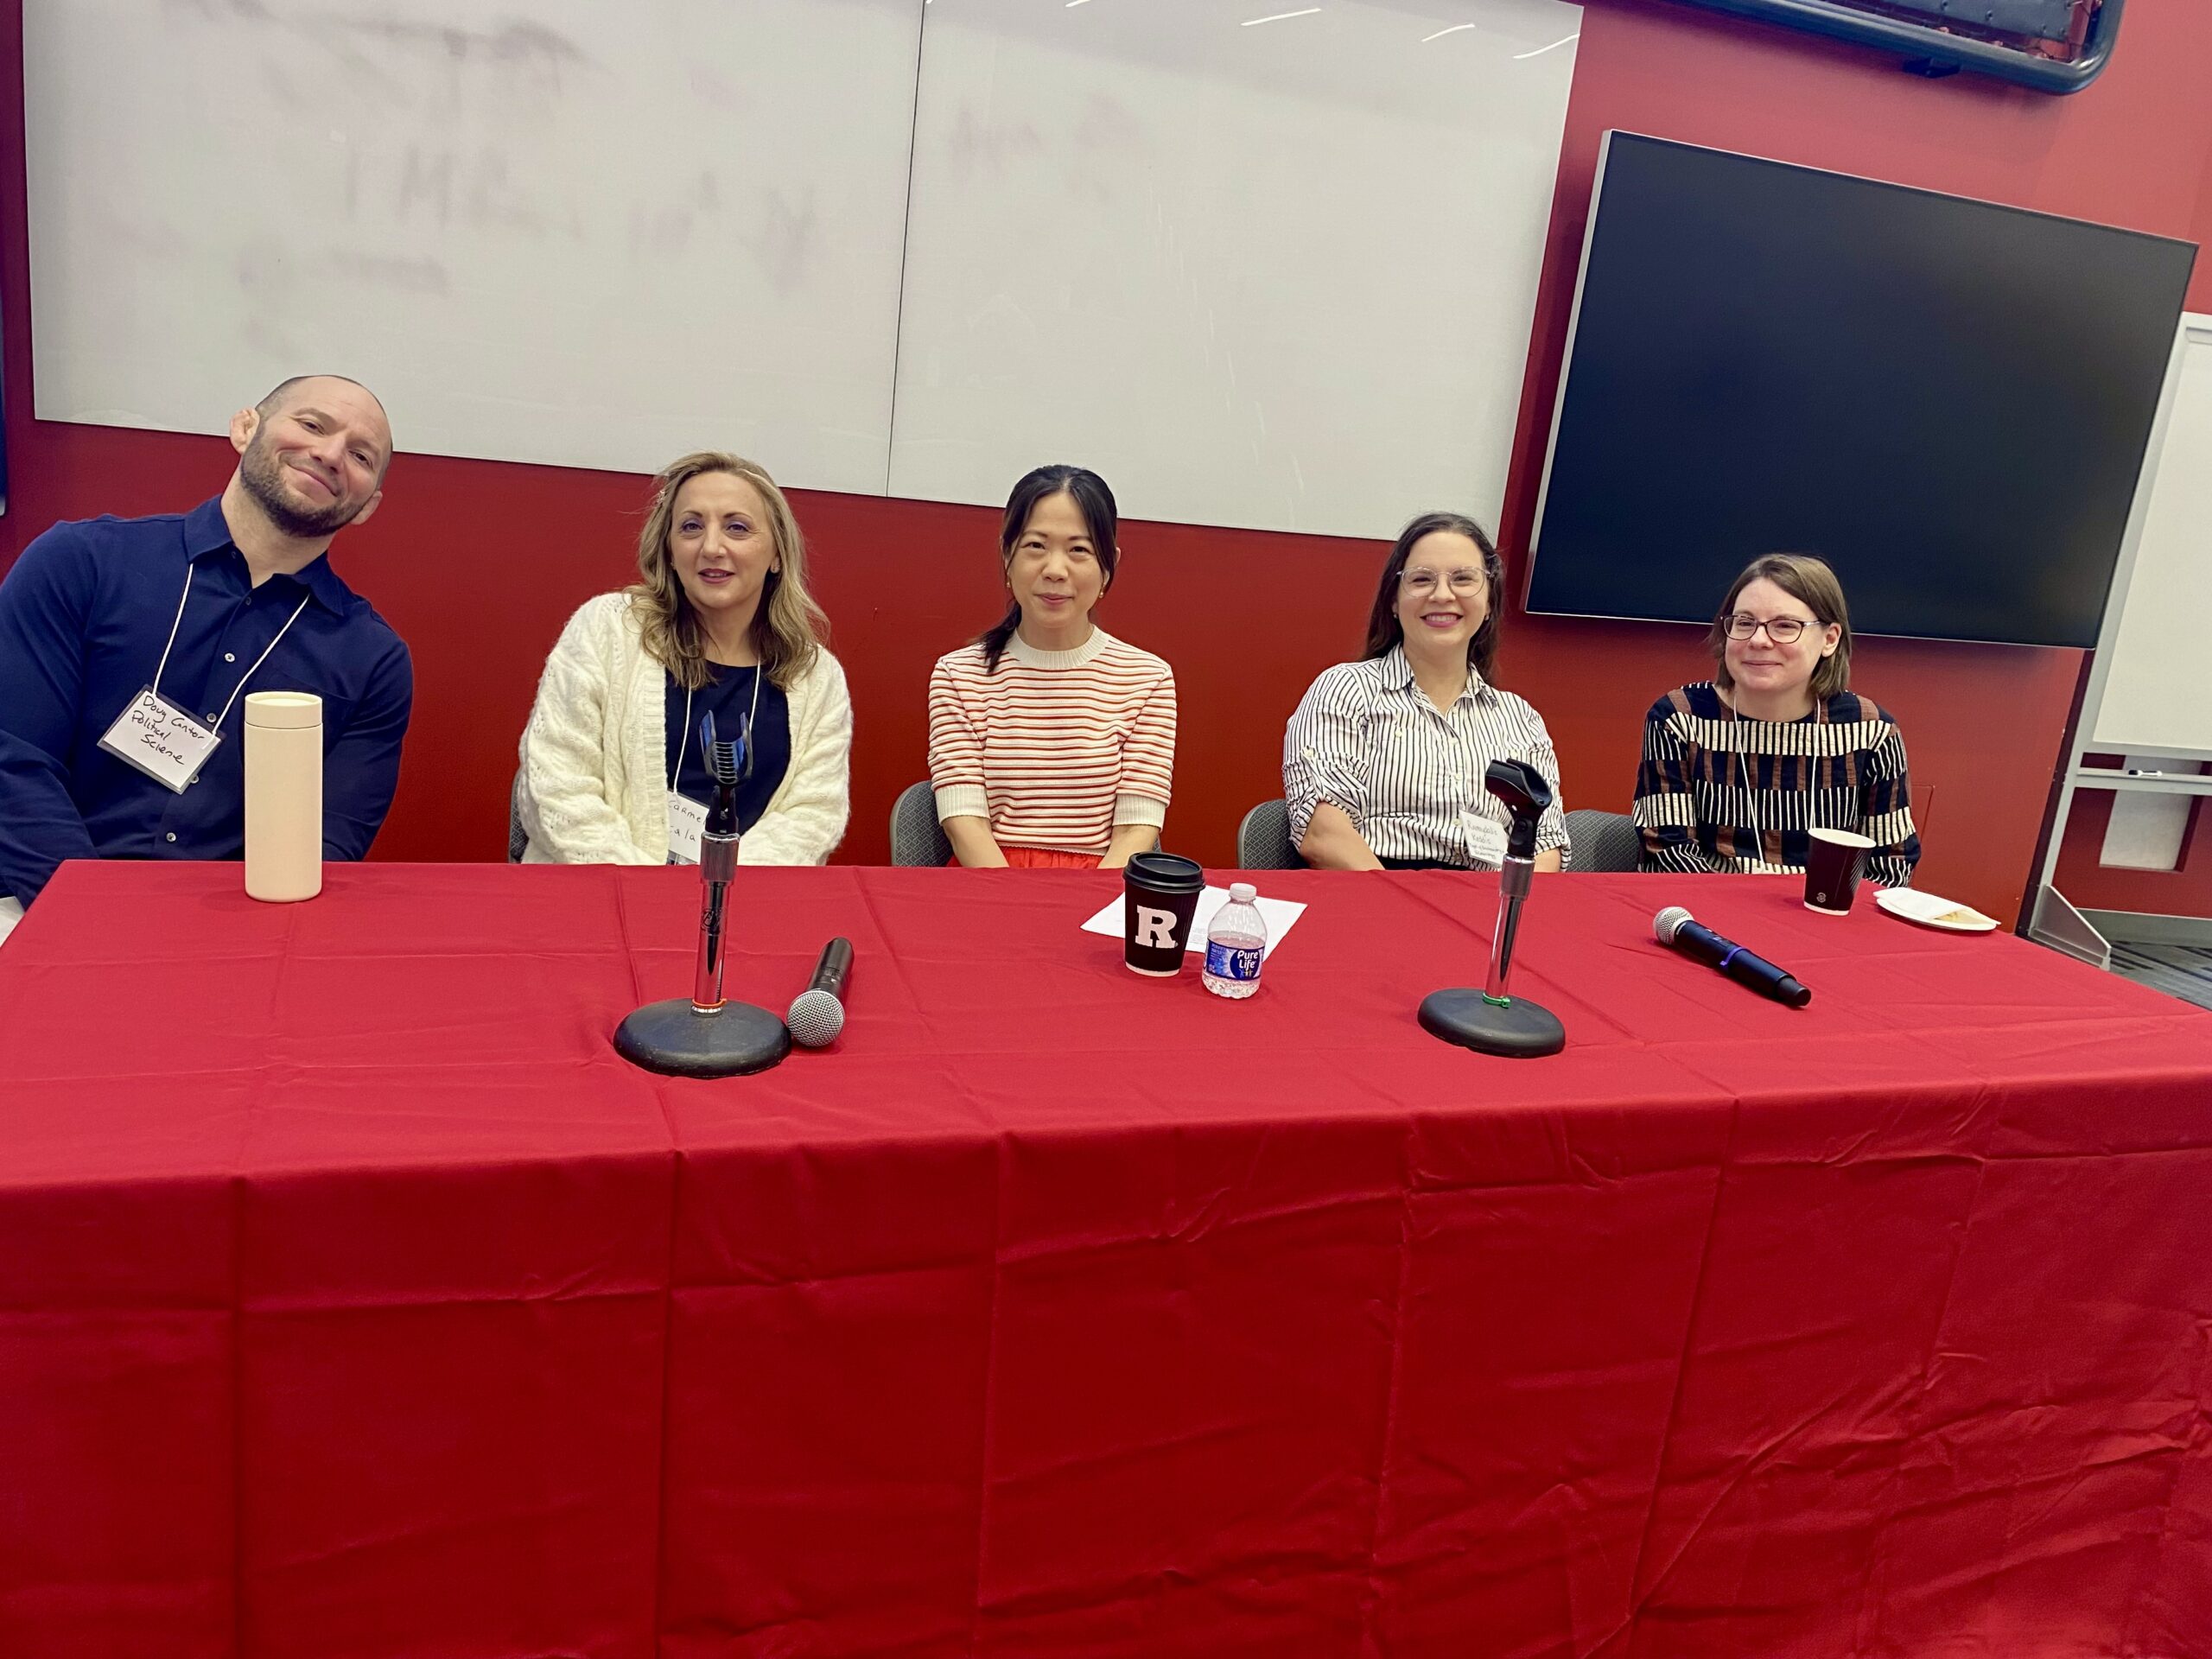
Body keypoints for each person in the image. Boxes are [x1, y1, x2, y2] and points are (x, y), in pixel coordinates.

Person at [0, 374, 410, 944]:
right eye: (313, 424)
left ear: (369, 505)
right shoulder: (81, 563)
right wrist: (92, 925)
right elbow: (13, 762)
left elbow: (326, 846)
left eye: (362, 455)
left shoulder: (373, 660)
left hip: (232, 938)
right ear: (246, 427)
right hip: (33, 903)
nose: (331, 453)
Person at [517, 451, 850, 865]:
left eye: (737, 528)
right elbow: (556, 787)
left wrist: (717, 894)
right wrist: (653, 894)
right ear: (670, 550)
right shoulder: (605, 630)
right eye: (691, 527)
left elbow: (812, 816)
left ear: (777, 554)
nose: (712, 547)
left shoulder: (816, 676)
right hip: (597, 898)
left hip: (745, 909)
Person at [1284, 512, 1569, 871]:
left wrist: (1510, 917)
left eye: (1464, 579)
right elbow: (1322, 832)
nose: (1442, 594)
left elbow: (1545, 847)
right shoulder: (1346, 690)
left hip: (1488, 905)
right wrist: (1407, 912)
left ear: (1490, 603)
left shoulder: (1520, 719)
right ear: (1393, 600)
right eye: (1422, 579)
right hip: (1373, 893)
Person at [927, 465, 1175, 869]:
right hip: (988, 884)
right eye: (1036, 546)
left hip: (1101, 886)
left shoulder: (1148, 679)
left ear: (1108, 564)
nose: (1055, 570)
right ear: (1007, 555)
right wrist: (1019, 906)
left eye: (1079, 550)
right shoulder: (959, 675)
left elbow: (1137, 830)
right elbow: (963, 823)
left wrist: (1087, 910)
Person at [1634, 552, 1919, 884]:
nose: (1758, 640)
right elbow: (1667, 852)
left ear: (1829, 639)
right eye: (1744, 623)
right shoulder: (1679, 718)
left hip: (1824, 920)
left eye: (1785, 626)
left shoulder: (1872, 731)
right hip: (1709, 916)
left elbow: (1892, 864)